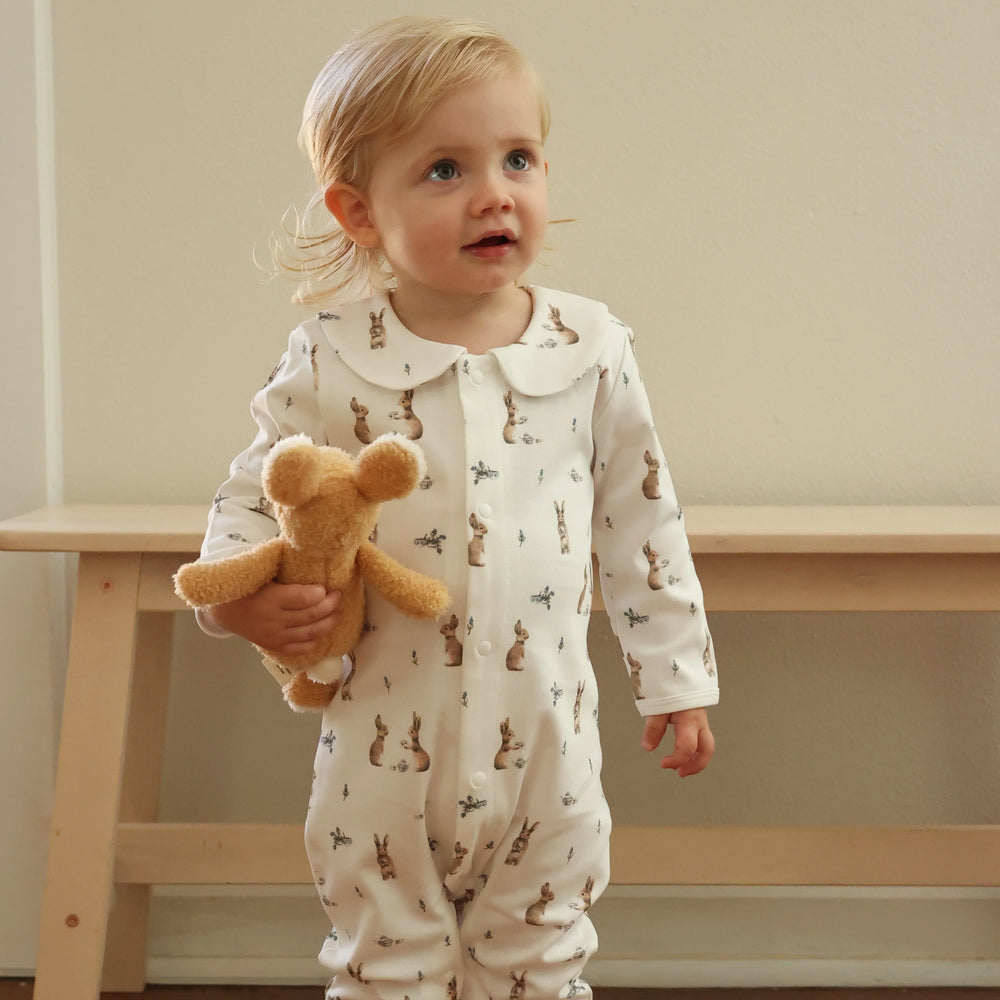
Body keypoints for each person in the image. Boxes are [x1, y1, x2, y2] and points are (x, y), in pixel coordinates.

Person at [197, 15, 718, 1000]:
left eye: (518, 158)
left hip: (548, 747)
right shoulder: (329, 355)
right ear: (358, 211)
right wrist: (238, 604)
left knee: (541, 955)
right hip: (381, 752)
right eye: (445, 169)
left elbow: (641, 521)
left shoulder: (591, 348)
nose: (495, 193)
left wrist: (675, 676)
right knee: (384, 962)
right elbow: (253, 496)